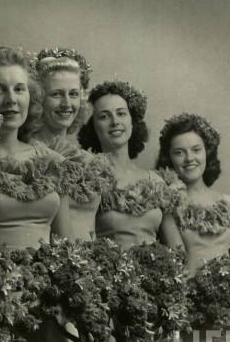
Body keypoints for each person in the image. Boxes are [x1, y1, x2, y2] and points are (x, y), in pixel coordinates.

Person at [0, 45, 72, 342]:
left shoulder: (52, 160)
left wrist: (65, 293)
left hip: (53, 299)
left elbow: (65, 242)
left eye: (19, 89)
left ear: (31, 97)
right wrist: (9, 290)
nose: (11, 99)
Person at [78, 80, 184, 251]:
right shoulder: (88, 178)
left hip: (155, 276)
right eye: (104, 116)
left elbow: (178, 250)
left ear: (132, 121)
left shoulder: (156, 182)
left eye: (121, 113)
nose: (115, 122)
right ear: (93, 127)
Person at [32, 47, 114, 243]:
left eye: (73, 94)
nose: (67, 103)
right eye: (57, 94)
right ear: (38, 98)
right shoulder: (28, 156)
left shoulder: (92, 163)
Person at [156, 113, 230, 276]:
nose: (189, 158)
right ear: (169, 158)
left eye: (196, 150)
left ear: (207, 152)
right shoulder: (167, 205)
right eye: (179, 152)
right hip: (187, 295)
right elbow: (176, 263)